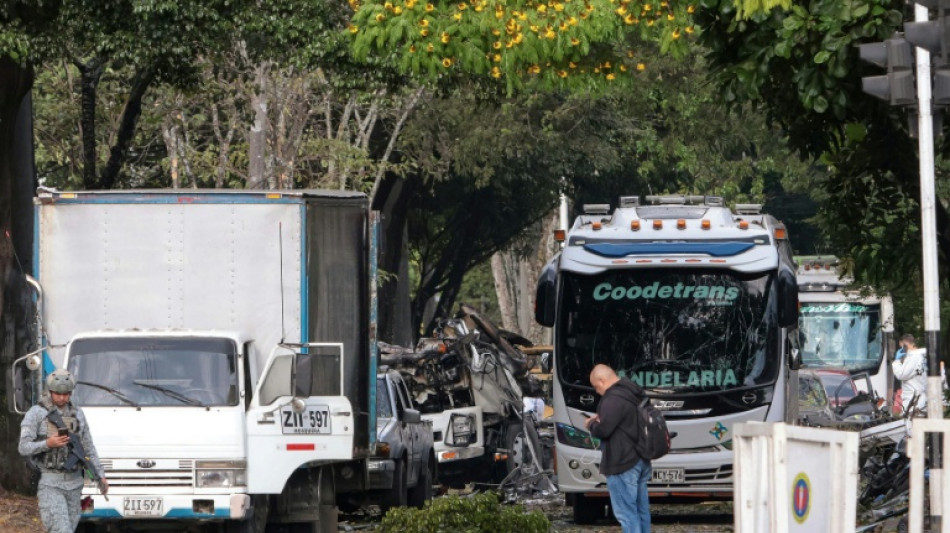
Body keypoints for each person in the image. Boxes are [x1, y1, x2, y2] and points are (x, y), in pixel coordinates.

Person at [19, 369, 109, 533]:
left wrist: (100, 475)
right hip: (50, 484)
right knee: (62, 530)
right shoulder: (36, 414)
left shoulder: (78, 414)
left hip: (75, 485)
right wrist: (48, 443)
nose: (62, 398)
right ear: (50, 391)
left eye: (66, 394)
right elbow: (23, 447)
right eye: (58, 394)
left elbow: (88, 447)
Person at [585, 364, 651, 533]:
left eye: (595, 386)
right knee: (641, 511)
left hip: (622, 462)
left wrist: (591, 424)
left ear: (602, 380)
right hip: (640, 458)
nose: (597, 391)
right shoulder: (634, 391)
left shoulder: (613, 398)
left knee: (626, 514)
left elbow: (604, 429)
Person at [892, 333, 928, 415]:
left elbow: (901, 374)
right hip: (922, 400)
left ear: (904, 345)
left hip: (913, 402)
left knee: (911, 425)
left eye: (901, 346)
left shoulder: (913, 357)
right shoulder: (923, 356)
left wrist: (896, 361)